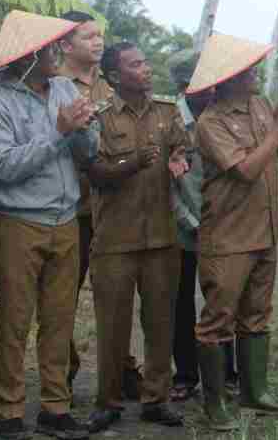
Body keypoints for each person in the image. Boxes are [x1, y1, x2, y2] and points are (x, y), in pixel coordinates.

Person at [188, 32, 278, 431]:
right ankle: (214, 404)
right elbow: (248, 169)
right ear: (230, 76)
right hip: (228, 236)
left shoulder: (258, 105)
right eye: (249, 68)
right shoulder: (210, 122)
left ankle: (256, 392)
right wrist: (277, 128)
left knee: (256, 316)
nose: (256, 74)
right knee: (218, 320)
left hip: (263, 231)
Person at [0, 12, 99, 440]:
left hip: (64, 220)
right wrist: (60, 132)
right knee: (14, 321)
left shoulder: (64, 88)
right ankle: (9, 414)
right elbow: (6, 168)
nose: (59, 52)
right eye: (51, 48)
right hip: (18, 223)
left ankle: (54, 408)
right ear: (28, 57)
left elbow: (88, 151)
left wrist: (82, 130)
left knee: (59, 319)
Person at [83, 44, 188, 432]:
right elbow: (94, 171)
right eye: (136, 64)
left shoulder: (166, 111)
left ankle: (156, 399)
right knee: (112, 325)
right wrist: (131, 164)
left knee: (161, 322)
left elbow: (182, 147)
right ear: (114, 77)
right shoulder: (100, 117)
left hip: (161, 237)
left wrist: (180, 159)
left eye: (145, 62)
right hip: (115, 240)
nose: (146, 69)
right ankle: (108, 401)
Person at [55, 12, 138, 398]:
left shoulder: (113, 85)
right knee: (62, 299)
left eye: (100, 35)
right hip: (71, 207)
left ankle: (123, 370)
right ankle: (63, 375)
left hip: (114, 208)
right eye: (87, 36)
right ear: (65, 45)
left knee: (117, 295)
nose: (98, 41)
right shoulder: (54, 86)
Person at [165, 49, 237, 404]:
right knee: (180, 304)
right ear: (185, 85)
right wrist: (191, 223)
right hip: (181, 230)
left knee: (221, 298)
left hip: (220, 225)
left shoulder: (221, 116)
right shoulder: (168, 121)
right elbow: (164, 186)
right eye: (205, 80)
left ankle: (226, 371)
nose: (214, 87)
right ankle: (186, 374)